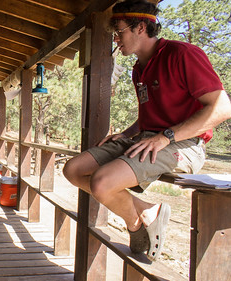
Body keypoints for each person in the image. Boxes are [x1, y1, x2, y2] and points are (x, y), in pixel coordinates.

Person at [63, 0, 231, 261]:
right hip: (147, 138)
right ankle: (147, 211)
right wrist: (127, 133)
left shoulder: (182, 54)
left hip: (184, 145)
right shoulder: (138, 69)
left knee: (101, 183)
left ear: (140, 27)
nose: (116, 39)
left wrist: (166, 137)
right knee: (73, 170)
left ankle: (134, 223)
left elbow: (222, 109)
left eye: (119, 32)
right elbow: (148, 118)